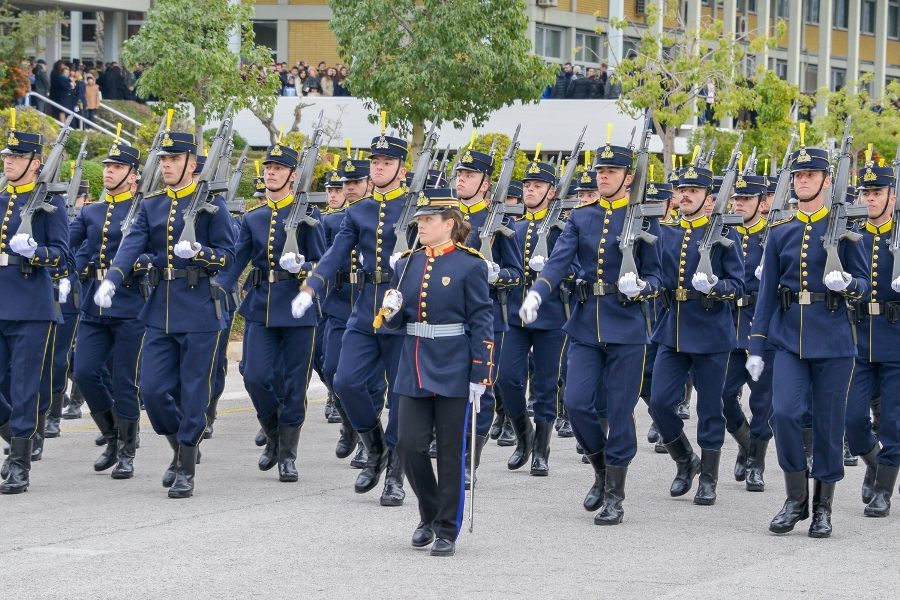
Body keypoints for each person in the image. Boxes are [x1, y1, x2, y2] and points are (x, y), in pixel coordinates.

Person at [520, 135, 663, 524]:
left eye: (611, 171)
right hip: (585, 325)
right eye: (600, 170)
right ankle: (600, 470)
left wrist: (644, 287)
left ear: (628, 177)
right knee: (579, 403)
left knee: (618, 410)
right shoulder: (581, 218)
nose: (603, 177)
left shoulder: (645, 219)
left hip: (627, 326)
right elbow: (557, 262)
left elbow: (657, 274)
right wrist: (537, 292)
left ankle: (615, 493)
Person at [93, 124, 235, 499]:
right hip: (160, 310)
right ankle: (181, 447)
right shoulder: (152, 204)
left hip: (202, 310)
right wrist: (112, 278)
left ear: (192, 163)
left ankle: (185, 466)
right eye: (165, 158)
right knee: (154, 392)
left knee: (193, 392)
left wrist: (201, 254)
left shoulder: (212, 205)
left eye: (174, 158)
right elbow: (131, 244)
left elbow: (229, 258)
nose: (167, 165)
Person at [748, 125, 869, 537]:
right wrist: (757, 345)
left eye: (810, 176)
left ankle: (823, 508)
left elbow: (867, 284)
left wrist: (849, 285)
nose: (802, 182)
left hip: (834, 340)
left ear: (826, 180)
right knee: (782, 413)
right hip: (788, 338)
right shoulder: (779, 232)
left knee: (829, 425)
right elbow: (765, 294)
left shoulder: (848, 229)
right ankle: (795, 497)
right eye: (798, 176)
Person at [293, 129, 410, 506]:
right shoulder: (357, 210)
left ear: (401, 169)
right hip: (364, 313)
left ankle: (395, 472)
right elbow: (334, 254)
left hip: (403, 314)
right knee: (345, 381)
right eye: (375, 163)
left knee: (403, 398)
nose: (378, 168)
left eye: (386, 163)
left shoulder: (414, 207)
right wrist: (311, 286)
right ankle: (374, 447)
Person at [381, 187, 494, 557]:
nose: (422, 225)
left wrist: (481, 372)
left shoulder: (470, 264)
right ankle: (428, 514)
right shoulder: (405, 264)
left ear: (450, 223)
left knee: (449, 452)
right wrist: (392, 312)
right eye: (420, 219)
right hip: (413, 364)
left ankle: (446, 528)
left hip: (454, 366)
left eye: (429, 220)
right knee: (409, 446)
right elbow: (395, 324)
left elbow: (481, 320)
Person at [218, 142, 325, 482]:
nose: (270, 173)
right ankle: (274, 435)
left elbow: (324, 264)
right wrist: (217, 286)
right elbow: (237, 261)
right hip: (262, 306)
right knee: (255, 376)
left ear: (293, 176)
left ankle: (287, 455)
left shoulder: (308, 218)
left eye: (278, 169)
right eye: (268, 168)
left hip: (297, 307)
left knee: (295, 384)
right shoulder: (254, 217)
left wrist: (303, 266)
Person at [648, 159, 744, 507]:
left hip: (710, 329)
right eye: (682, 190)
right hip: (672, 328)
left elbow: (739, 284)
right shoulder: (665, 232)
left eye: (693, 190)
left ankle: (709, 478)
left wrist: (717, 286)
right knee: (659, 401)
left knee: (709, 407)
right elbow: (654, 274)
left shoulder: (723, 234)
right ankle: (686, 460)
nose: (685, 195)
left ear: (707, 197)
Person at [0, 110, 71, 494]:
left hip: (30, 305)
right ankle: (19, 438)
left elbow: (63, 256)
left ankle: (19, 464)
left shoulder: (50, 206)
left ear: (34, 164)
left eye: (15, 157)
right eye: (6, 157)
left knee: (25, 387)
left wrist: (35, 252)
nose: (8, 162)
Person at [69, 139, 148, 478]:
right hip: (94, 306)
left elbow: (159, 251)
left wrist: (139, 263)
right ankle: (113, 433)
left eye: (116, 167)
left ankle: (127, 449)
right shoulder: (90, 211)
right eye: (107, 166)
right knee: (84, 370)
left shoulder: (144, 210)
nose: (108, 172)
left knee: (124, 380)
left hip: (130, 304)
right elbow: (69, 247)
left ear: (133, 176)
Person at [451, 146, 523, 484]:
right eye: (459, 174)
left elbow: (516, 273)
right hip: (447, 316)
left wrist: (498, 275)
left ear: (485, 184)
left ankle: (469, 460)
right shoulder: (443, 216)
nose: (461, 179)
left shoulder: (501, 222)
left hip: (488, 317)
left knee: (481, 388)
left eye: (469, 175)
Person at [498, 156, 569, 481]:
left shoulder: (562, 230)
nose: (529, 190)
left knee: (544, 385)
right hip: (515, 315)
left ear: (551, 192)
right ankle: (523, 436)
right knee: (507, 378)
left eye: (537, 185)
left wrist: (555, 268)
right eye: (527, 185)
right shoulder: (515, 228)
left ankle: (541, 449)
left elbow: (577, 269)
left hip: (551, 317)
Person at [844, 156, 900, 517]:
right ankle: (874, 462)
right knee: (852, 419)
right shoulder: (851, 233)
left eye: (877, 192)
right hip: (858, 335)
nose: (870, 198)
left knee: (894, 419)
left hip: (896, 338)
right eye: (865, 192)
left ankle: (883, 489)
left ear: (892, 196)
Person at [720, 173, 775, 492]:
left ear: (763, 203)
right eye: (736, 199)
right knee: (721, 396)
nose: (739, 204)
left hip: (761, 329)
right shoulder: (724, 235)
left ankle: (756, 462)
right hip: (730, 328)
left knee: (762, 403)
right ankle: (745, 442)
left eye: (746, 199)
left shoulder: (774, 236)